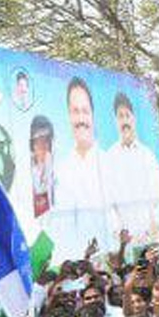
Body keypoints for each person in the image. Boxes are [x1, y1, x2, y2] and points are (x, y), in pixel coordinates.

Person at [52, 77, 109, 259]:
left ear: (92, 114)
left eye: (85, 111)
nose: (81, 119)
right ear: (68, 115)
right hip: (77, 266)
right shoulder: (61, 170)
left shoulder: (110, 162)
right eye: (75, 111)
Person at [104, 92, 159, 245]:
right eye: (120, 116)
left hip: (152, 238)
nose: (124, 121)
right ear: (115, 121)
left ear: (134, 119)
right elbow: (108, 204)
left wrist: (153, 229)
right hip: (124, 243)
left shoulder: (148, 156)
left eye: (127, 115)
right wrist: (120, 233)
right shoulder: (109, 158)